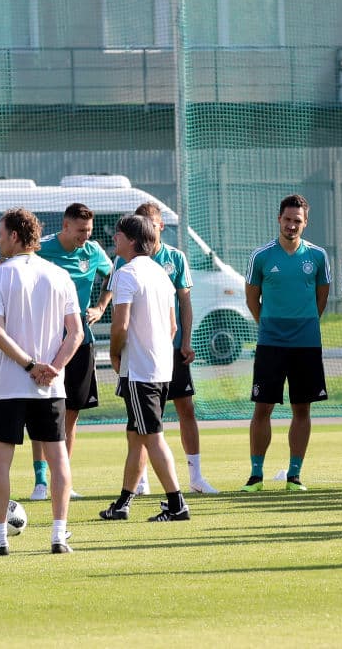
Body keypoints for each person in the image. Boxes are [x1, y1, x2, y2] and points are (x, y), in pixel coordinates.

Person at [0, 208, 82, 555]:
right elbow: (77, 333)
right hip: (48, 385)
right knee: (58, 457)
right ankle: (58, 535)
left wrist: (31, 365)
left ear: (14, 236)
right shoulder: (59, 275)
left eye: (0, 232)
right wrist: (50, 368)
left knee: (0, 460)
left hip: (10, 383)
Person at [103, 201, 218, 495]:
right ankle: (132, 492)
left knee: (155, 428)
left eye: (151, 222)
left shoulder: (169, 261)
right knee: (139, 427)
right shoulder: (128, 267)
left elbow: (127, 325)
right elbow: (166, 323)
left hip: (150, 361)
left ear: (159, 225)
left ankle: (182, 493)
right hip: (153, 358)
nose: (149, 227)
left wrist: (120, 352)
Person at [99, 215, 190, 522]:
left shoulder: (127, 273)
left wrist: (115, 355)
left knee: (151, 435)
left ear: (133, 241)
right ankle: (124, 502)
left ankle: (177, 504)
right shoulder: (160, 274)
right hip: (160, 369)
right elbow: (173, 326)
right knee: (137, 435)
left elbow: (120, 325)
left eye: (119, 234)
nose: (115, 238)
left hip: (140, 371)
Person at [242, 194, 331, 492]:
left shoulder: (318, 256)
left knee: (301, 409)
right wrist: (268, 324)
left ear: (305, 223)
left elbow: (321, 298)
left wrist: (304, 322)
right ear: (278, 219)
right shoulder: (261, 256)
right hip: (271, 344)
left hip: (306, 344)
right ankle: (256, 476)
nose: (291, 225)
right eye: (287, 219)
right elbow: (252, 299)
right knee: (262, 408)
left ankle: (294, 475)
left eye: (297, 221)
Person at [32, 202, 113, 500]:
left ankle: (62, 479)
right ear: (65, 226)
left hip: (81, 340)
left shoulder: (92, 252)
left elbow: (113, 276)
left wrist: (101, 306)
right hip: (47, 340)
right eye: (81, 231)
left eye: (89, 231)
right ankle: (41, 481)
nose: (85, 237)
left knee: (71, 412)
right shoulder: (41, 248)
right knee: (43, 409)